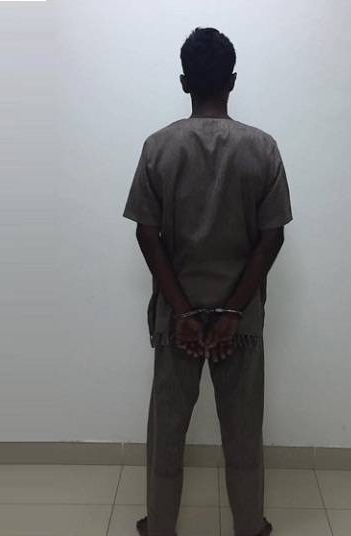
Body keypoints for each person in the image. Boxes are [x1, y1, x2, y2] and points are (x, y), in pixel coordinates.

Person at [122, 26, 293, 536]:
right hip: (241, 322)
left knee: (167, 430)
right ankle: (248, 526)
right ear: (232, 81)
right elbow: (272, 238)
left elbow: (147, 234)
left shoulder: (158, 147)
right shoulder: (262, 149)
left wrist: (183, 311)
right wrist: (233, 311)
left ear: (183, 82)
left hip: (177, 320)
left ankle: (160, 526)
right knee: (243, 430)